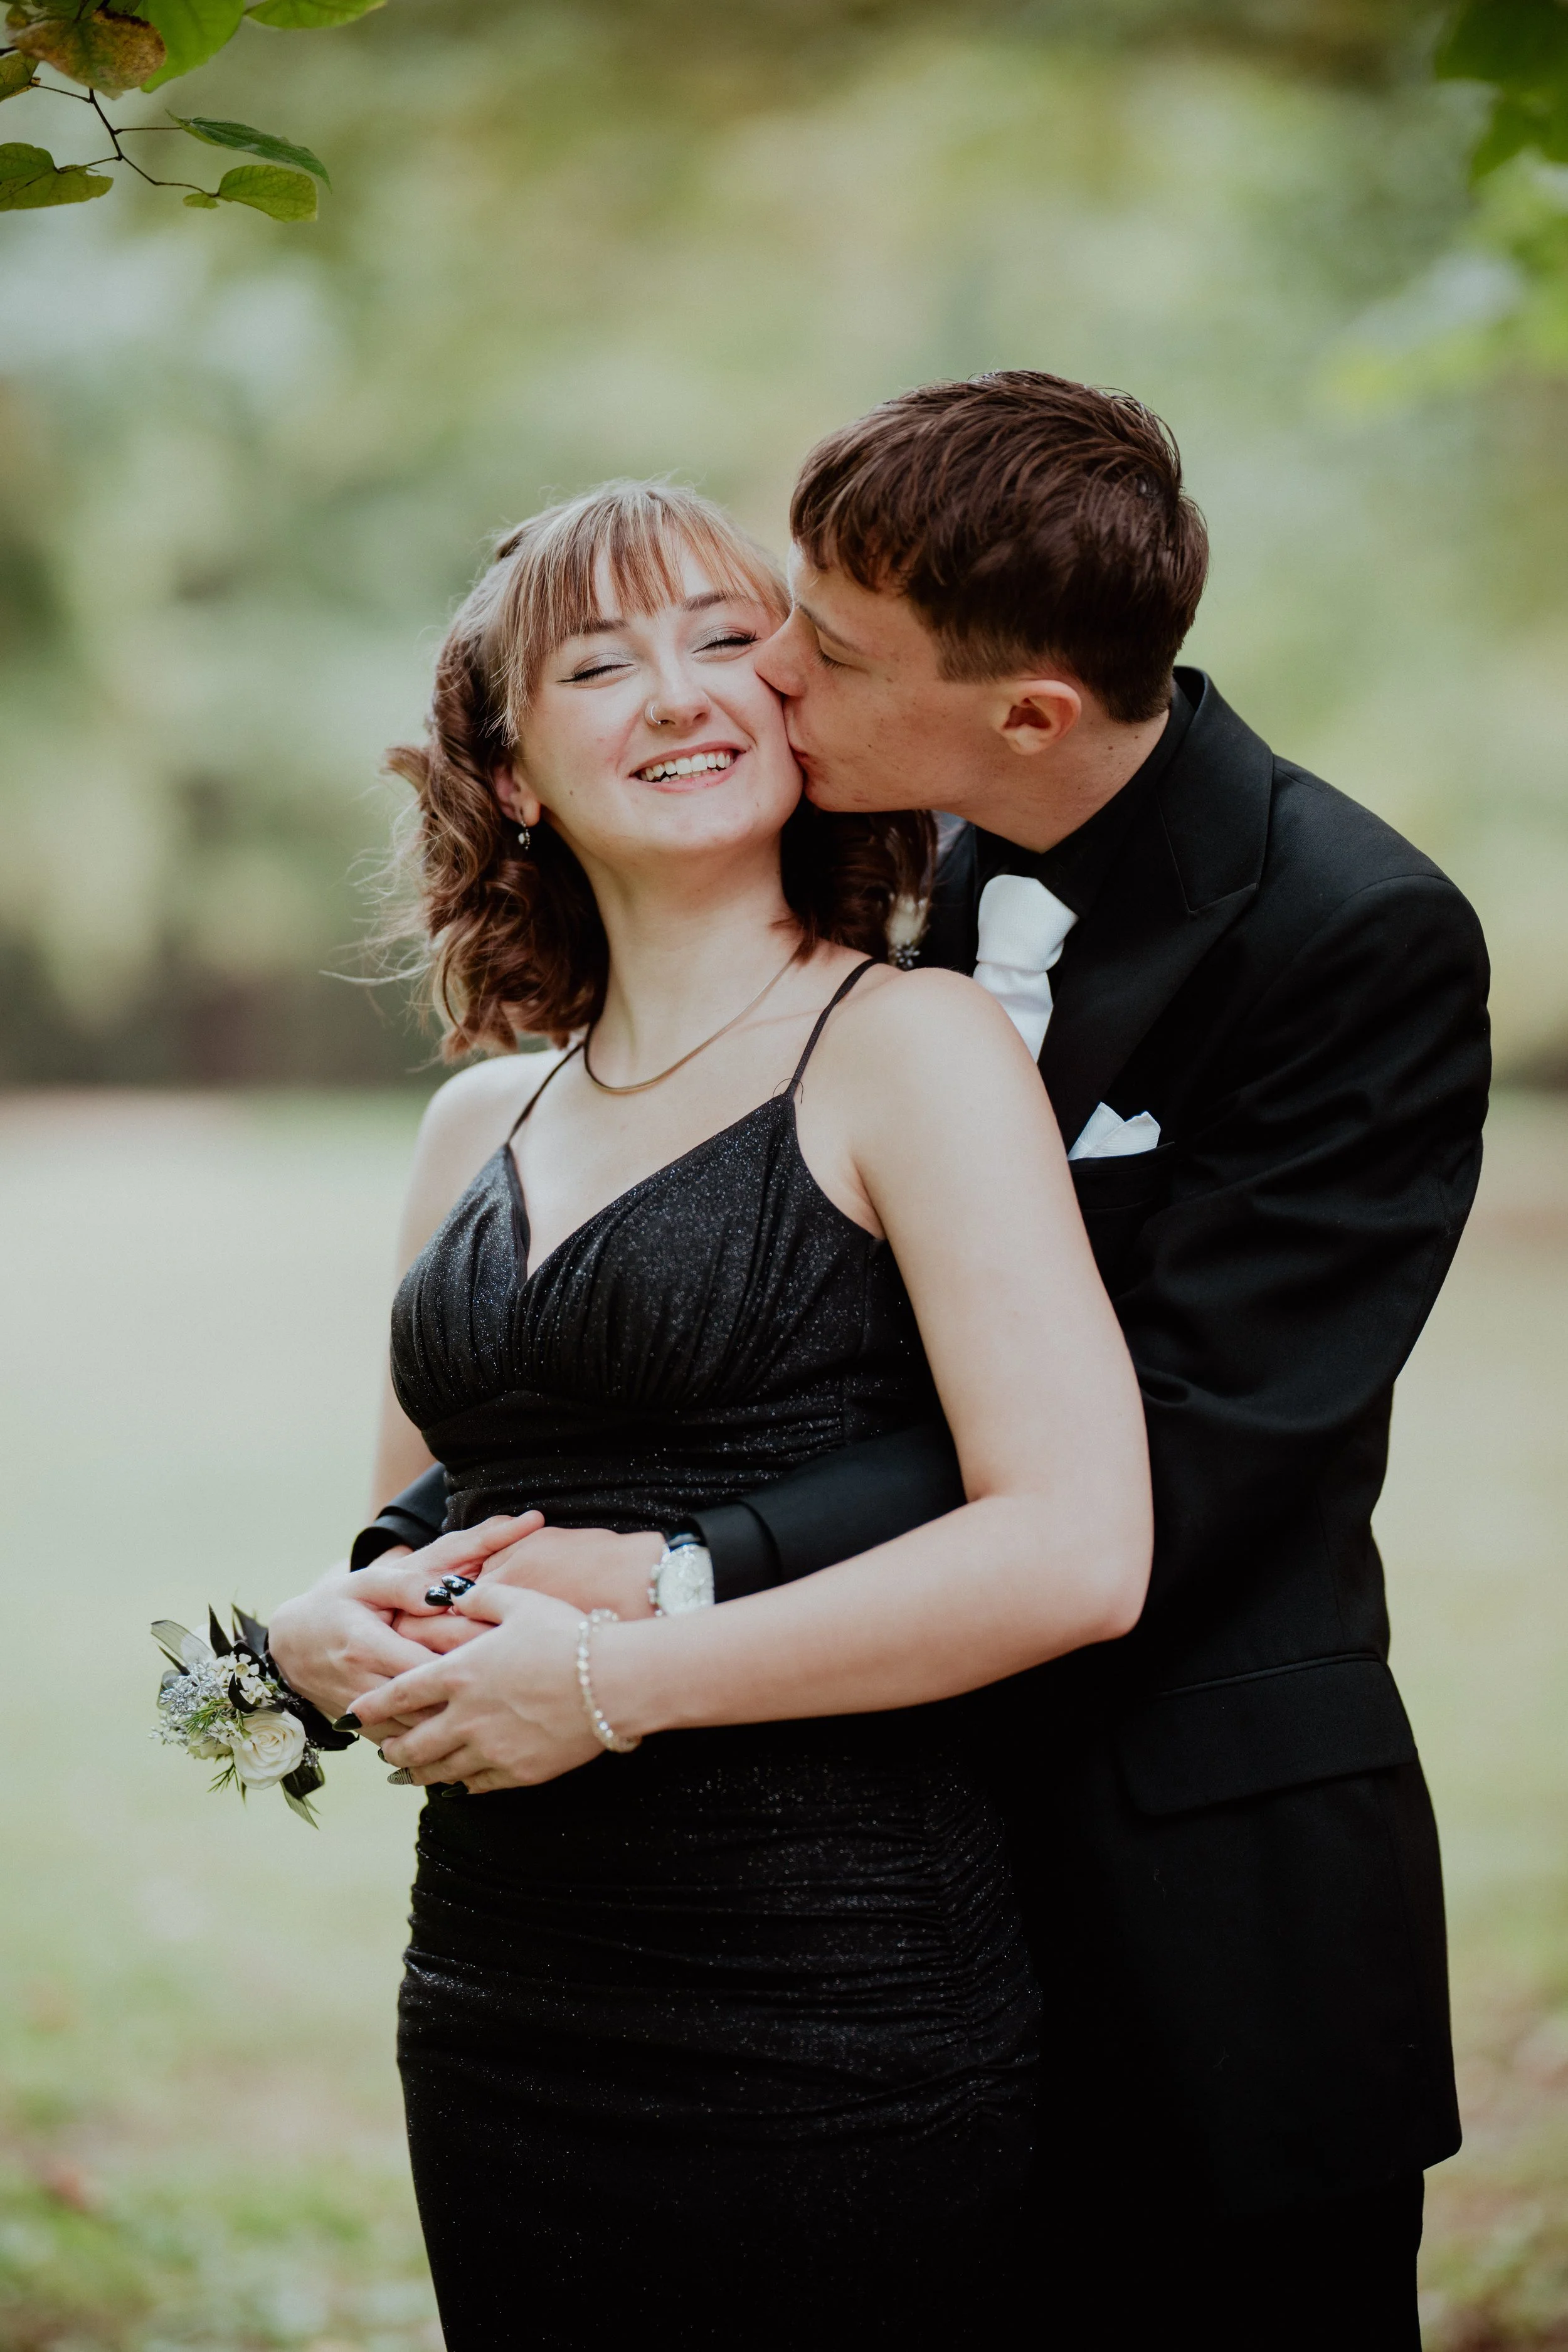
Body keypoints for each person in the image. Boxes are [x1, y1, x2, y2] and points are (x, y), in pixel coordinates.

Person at [337, 374, 1491, 2349]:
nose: (758, 677)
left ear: (1024, 712)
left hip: (1174, 1848)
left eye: (798, 640)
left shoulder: (1345, 935)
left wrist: (674, 1581)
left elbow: (1183, 1450)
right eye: (725, 624)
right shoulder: (916, 867)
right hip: (692, 1878)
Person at [267, 479, 1152, 2348]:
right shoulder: (474, 1126)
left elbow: (1075, 1548)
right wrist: (324, 1629)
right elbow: (419, 1522)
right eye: (600, 662)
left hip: (826, 1983)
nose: (679, 692)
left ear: (799, 707)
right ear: (511, 774)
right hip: (505, 1987)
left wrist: (602, 1686)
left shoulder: (910, 1048)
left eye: (728, 639)